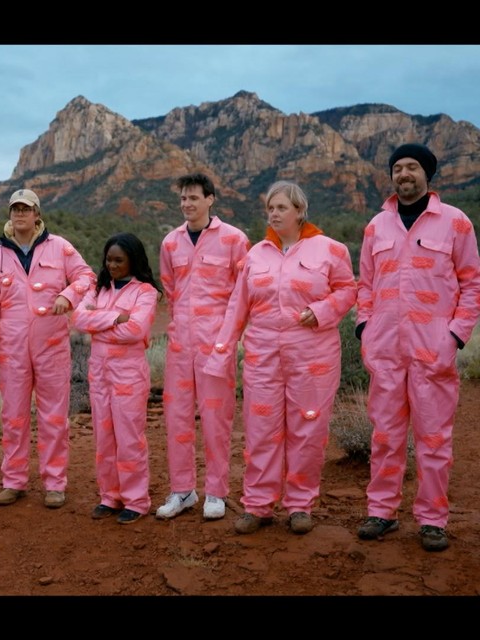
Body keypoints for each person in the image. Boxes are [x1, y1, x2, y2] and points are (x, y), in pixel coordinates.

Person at [204, 181, 357, 535]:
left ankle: (300, 505)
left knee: (307, 429)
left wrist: (321, 310)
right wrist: (222, 353)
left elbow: (349, 290)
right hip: (263, 357)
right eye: (270, 208)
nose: (273, 214)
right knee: (261, 430)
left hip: (313, 356)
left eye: (281, 208)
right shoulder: (255, 255)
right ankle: (258, 505)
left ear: (300, 211)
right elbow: (236, 307)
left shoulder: (329, 250)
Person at [355, 143, 480, 552]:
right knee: (386, 436)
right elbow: (365, 286)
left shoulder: (455, 223)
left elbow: (472, 284)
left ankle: (432, 520)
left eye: (412, 167)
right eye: (397, 168)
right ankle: (382, 513)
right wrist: (364, 329)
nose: (403, 174)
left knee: (433, 439)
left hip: (433, 351)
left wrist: (455, 336)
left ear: (428, 174)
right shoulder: (376, 226)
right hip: (386, 350)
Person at [0, 188, 95, 509]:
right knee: (13, 416)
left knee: (53, 416)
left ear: (37, 214)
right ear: (10, 214)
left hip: (52, 345)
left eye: (26, 209)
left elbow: (86, 277)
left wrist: (68, 295)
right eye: (15, 209)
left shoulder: (60, 247)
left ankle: (54, 483)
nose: (20, 214)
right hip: (12, 349)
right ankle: (14, 480)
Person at [156, 173, 250, 521]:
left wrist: (227, 340)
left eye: (194, 198)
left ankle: (216, 492)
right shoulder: (171, 242)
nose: (187, 204)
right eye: (182, 198)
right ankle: (183, 491)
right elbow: (171, 288)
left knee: (216, 420)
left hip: (217, 346)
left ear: (210, 199)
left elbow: (242, 294)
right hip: (181, 345)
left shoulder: (234, 240)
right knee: (177, 418)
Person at [72, 233, 161, 525]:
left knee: (129, 437)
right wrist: (114, 318)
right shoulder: (99, 289)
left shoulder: (145, 292)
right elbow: (78, 319)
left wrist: (99, 321)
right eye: (109, 259)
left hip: (129, 374)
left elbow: (135, 331)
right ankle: (109, 496)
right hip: (99, 372)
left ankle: (136, 500)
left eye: (119, 260)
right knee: (104, 435)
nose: (112, 265)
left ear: (132, 261)